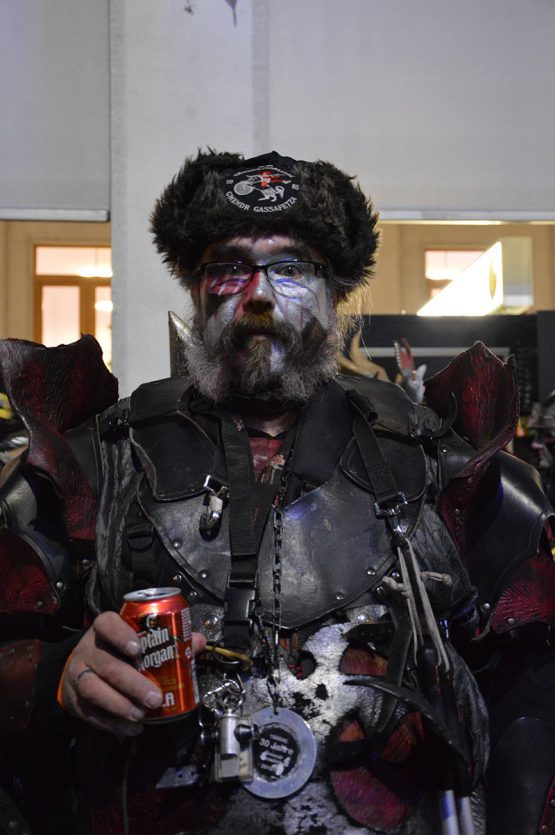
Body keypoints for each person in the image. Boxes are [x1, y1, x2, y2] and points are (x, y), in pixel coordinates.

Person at [0, 150, 554, 835]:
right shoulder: (92, 461)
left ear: (336, 292)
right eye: (229, 267)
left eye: (291, 268)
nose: (258, 294)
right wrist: (58, 676)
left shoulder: (447, 463)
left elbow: (531, 701)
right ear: (196, 290)